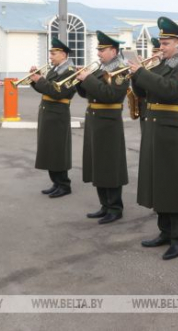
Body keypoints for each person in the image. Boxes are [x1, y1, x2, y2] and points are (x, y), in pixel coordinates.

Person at [130, 17, 178, 260]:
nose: (161, 47)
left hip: (171, 129)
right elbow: (143, 93)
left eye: (166, 43)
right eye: (160, 43)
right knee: (159, 181)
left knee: (174, 184)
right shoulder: (159, 65)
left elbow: (170, 90)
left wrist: (143, 74)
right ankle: (165, 232)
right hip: (154, 127)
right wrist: (135, 76)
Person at [75, 31, 129, 224]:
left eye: (102, 50)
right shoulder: (100, 69)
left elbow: (110, 95)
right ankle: (104, 205)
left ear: (113, 51)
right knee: (97, 164)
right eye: (98, 49)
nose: (98, 53)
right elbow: (86, 94)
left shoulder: (120, 71)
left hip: (108, 123)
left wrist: (88, 79)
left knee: (110, 165)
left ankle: (115, 207)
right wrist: (79, 81)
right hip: (95, 120)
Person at [28, 37, 77, 198]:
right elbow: (46, 90)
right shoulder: (55, 69)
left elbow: (58, 92)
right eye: (51, 53)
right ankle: (56, 182)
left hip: (58, 115)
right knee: (49, 150)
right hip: (48, 113)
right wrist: (35, 80)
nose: (51, 56)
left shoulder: (70, 71)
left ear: (63, 54)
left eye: (54, 53)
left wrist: (40, 80)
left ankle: (64, 184)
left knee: (57, 151)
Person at [136, 37, 162, 133]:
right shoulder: (149, 68)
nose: (152, 55)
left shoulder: (159, 69)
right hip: (145, 111)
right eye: (153, 52)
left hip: (156, 113)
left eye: (155, 52)